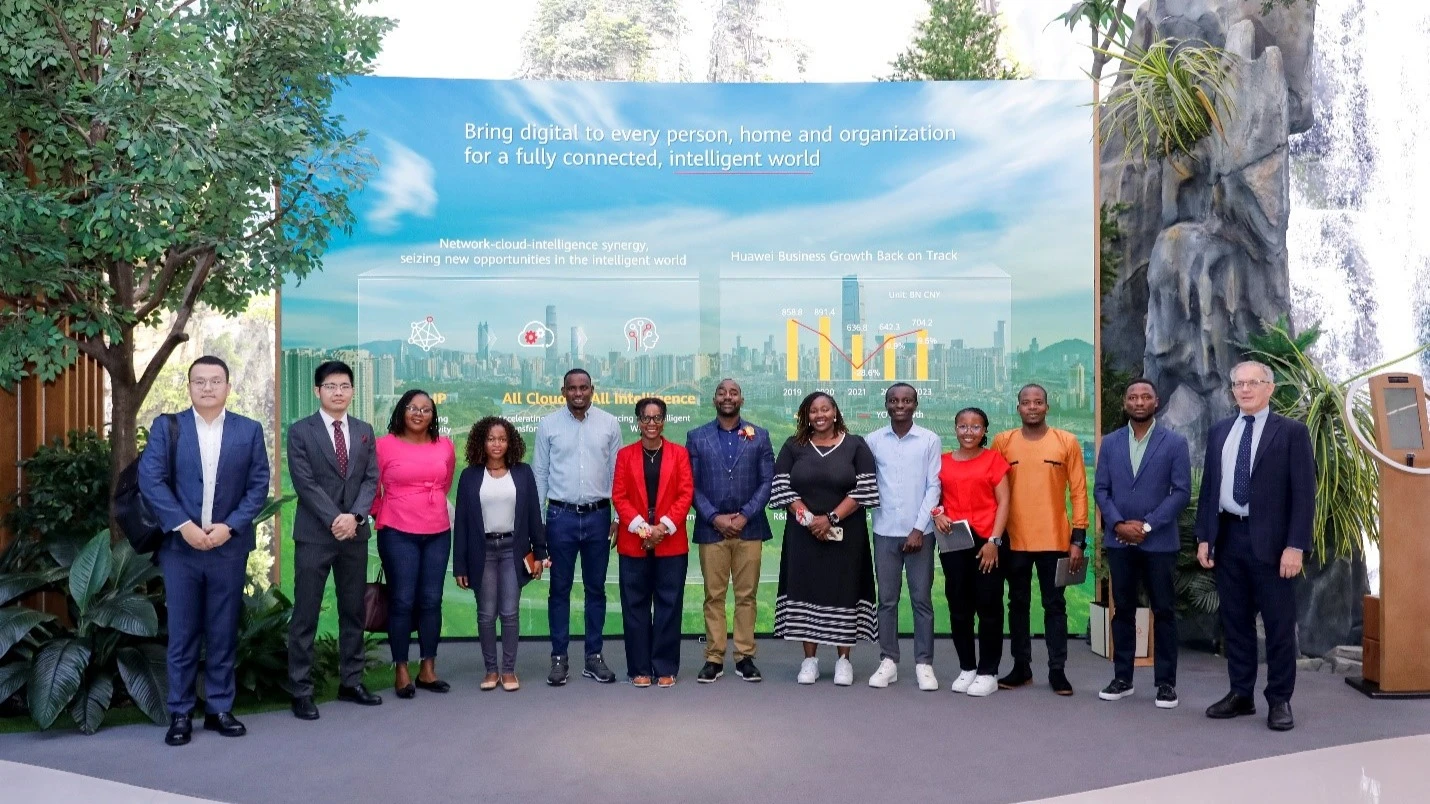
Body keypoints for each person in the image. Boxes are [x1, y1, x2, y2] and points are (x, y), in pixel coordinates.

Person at [139, 356, 270, 746]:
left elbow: (258, 485)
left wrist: (229, 526)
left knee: (223, 630)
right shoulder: (168, 427)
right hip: (181, 548)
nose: (208, 388)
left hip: (228, 548)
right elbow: (150, 479)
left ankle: (218, 708)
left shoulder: (248, 430)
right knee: (182, 633)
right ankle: (179, 713)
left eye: (216, 381)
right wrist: (185, 526)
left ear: (229, 387)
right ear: (190, 387)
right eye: (200, 381)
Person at [1196, 360, 1314, 731]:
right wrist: (1204, 536)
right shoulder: (1219, 432)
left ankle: (1279, 700)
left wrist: (1295, 545)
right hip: (1229, 538)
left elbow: (1304, 495)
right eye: (1238, 384)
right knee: (1235, 622)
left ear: (1270, 388)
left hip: (1274, 544)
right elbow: (1209, 489)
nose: (1245, 390)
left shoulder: (1292, 432)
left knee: (1279, 626)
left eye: (1253, 383)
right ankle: (1241, 694)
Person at [286, 360, 383, 719]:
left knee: (353, 610)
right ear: (317, 391)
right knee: (306, 613)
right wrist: (335, 519)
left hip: (354, 535)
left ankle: (351, 681)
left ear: (352, 391)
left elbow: (371, 480)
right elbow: (304, 483)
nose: (338, 392)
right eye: (331, 386)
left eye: (344, 386)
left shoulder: (363, 430)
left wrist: (355, 517)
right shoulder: (300, 431)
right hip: (315, 535)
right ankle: (300, 689)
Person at [769, 392, 880, 686]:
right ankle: (810, 661)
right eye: (813, 411)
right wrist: (810, 521)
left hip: (846, 535)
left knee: (844, 591)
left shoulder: (856, 445)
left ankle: (844, 661)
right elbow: (781, 487)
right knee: (807, 590)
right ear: (806, 416)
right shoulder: (794, 446)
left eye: (825, 409)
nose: (819, 415)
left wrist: (829, 519)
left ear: (835, 412)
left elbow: (865, 490)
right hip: (803, 536)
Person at [1093, 379, 1192, 709]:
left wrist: (1147, 525)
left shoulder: (1174, 443)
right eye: (1133, 397)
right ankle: (1123, 678)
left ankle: (1166, 683)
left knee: (1163, 611)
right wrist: (1119, 524)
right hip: (1120, 540)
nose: (1139, 401)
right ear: (1125, 403)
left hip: (1159, 542)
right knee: (1123, 611)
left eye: (1145, 396)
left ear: (1156, 402)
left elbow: (1180, 492)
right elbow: (1101, 491)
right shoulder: (1110, 443)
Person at [993, 383, 1089, 695]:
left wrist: (1079, 538)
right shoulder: (1002, 442)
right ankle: (1021, 667)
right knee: (1017, 604)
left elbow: (1078, 491)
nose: (1032, 407)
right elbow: (992, 490)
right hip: (1013, 539)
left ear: (1047, 407)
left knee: (1055, 606)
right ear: (1017, 407)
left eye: (1038, 402)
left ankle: (1057, 671)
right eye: (1026, 402)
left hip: (1056, 540)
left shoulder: (1067, 441)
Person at [532, 368, 623, 686]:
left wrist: (619, 517)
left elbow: (617, 474)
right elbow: (540, 474)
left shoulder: (609, 423)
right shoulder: (548, 425)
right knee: (559, 590)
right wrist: (538, 525)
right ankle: (559, 659)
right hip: (560, 518)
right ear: (563, 391)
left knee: (595, 590)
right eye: (572, 388)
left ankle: (593, 657)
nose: (578, 393)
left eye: (584, 387)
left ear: (592, 389)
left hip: (599, 518)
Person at [686, 378, 774, 683]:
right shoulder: (696, 437)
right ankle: (714, 657)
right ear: (714, 400)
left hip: (749, 529)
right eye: (722, 392)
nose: (728, 397)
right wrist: (714, 517)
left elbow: (768, 482)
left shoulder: (759, 436)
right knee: (714, 596)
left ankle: (745, 656)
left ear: (742, 399)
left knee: (746, 596)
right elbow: (691, 485)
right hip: (712, 530)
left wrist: (744, 516)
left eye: (733, 392)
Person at [453, 416, 547, 692]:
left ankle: (508, 671)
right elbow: (462, 525)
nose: (497, 444)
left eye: (502, 439)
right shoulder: (469, 476)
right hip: (481, 552)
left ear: (511, 442)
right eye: (491, 439)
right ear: (482, 442)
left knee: (509, 613)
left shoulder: (523, 472)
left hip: (512, 551)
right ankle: (490, 670)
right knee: (485, 614)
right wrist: (460, 565)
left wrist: (540, 553)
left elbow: (533, 516)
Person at [372, 389, 456, 699]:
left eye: (425, 409)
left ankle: (428, 669)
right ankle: (402, 669)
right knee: (403, 600)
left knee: (432, 600)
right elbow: (372, 487)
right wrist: (384, 511)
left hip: (437, 531)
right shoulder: (384, 446)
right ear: (401, 411)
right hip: (397, 531)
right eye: (412, 407)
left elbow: (445, 483)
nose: (418, 413)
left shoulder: (445, 446)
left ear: (433, 416)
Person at [612, 398, 695, 687]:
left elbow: (686, 494)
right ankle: (639, 668)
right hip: (633, 541)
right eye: (645, 418)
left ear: (664, 421)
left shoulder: (679, 454)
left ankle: (665, 667)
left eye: (657, 417)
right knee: (634, 606)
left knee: (668, 605)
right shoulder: (625, 455)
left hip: (671, 542)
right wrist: (642, 529)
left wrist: (663, 527)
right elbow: (619, 496)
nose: (651, 423)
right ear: (637, 421)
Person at [864, 383, 942, 691]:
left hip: (920, 535)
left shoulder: (929, 440)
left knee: (921, 600)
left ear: (915, 404)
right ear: (886, 404)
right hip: (884, 532)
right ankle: (889, 661)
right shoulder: (873, 441)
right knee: (886, 601)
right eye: (895, 400)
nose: (900, 405)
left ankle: (924, 663)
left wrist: (918, 529)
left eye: (906, 400)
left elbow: (933, 487)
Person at [935, 407, 1010, 698]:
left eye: (975, 427)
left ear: (984, 430)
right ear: (955, 429)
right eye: (963, 426)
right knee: (959, 606)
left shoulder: (994, 460)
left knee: (989, 605)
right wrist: (937, 513)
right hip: (954, 541)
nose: (969, 432)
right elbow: (934, 497)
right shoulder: (941, 463)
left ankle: (988, 671)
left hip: (987, 542)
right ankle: (967, 667)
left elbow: (1004, 502)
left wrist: (995, 541)